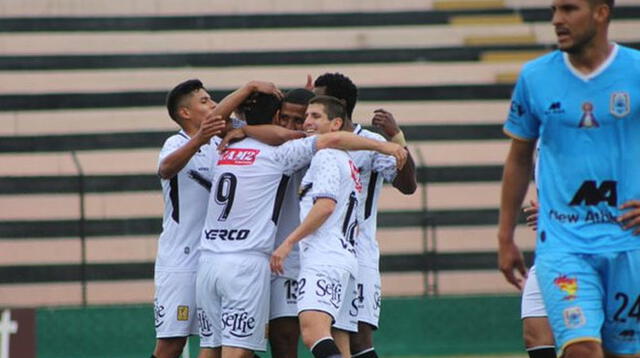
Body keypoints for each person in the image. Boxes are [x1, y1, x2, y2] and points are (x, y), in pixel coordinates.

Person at [196, 85, 407, 358]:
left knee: (306, 337)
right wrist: (387, 144)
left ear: (335, 122)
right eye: (291, 117)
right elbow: (324, 141)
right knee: (318, 339)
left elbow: (326, 200)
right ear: (275, 117)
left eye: (310, 117)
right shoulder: (279, 151)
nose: (301, 124)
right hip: (272, 257)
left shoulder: (243, 146)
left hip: (289, 256)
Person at [497, 0, 640, 357]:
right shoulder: (535, 77)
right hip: (563, 243)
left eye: (569, 9)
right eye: (554, 10)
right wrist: (505, 236)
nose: (557, 20)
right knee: (581, 350)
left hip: (628, 240)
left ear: (601, 12)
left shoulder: (635, 72)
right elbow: (518, 157)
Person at [313, 73, 417, 358]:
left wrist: (397, 138)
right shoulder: (313, 141)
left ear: (340, 104)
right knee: (314, 332)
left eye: (318, 97)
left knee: (358, 337)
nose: (313, 104)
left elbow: (407, 186)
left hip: (359, 252)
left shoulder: (370, 143)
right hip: (317, 251)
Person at [270, 95, 367, 358]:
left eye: (315, 116)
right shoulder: (347, 160)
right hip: (345, 259)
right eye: (307, 116)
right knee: (339, 341)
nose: (307, 122)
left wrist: (289, 242)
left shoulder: (325, 156)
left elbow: (325, 206)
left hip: (324, 258)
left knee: (313, 333)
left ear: (336, 124)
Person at [152, 79, 226, 358]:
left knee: (218, 343)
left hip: (217, 258)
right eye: (205, 101)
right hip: (181, 260)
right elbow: (165, 169)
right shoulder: (176, 142)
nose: (214, 104)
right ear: (185, 113)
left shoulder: (224, 142)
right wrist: (199, 139)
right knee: (172, 344)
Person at [268, 88, 316, 358]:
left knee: (285, 339)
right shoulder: (260, 140)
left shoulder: (314, 147)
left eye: (297, 121)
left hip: (290, 258)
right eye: (283, 118)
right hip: (250, 256)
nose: (288, 126)